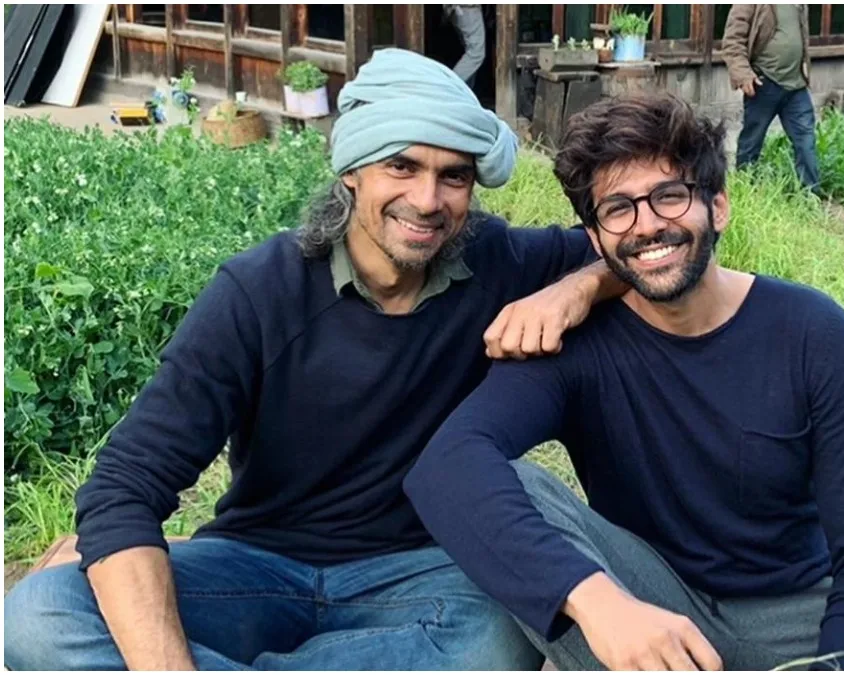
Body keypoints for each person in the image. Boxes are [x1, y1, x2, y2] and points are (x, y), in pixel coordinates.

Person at [3, 49, 626, 671]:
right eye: (401, 166)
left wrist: (575, 288)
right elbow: (126, 485)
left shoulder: (495, 260)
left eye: (454, 176)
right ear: (353, 169)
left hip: (421, 575)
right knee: (39, 617)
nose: (427, 199)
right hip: (255, 567)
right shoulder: (258, 292)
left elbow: (638, 251)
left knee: (499, 639)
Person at [404, 93, 844, 672]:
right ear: (595, 238)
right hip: (650, 608)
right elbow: (445, 468)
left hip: (801, 610)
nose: (648, 224)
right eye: (618, 209)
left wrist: (841, 666)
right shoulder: (573, 345)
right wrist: (603, 605)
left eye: (669, 196)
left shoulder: (814, 333)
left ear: (717, 206)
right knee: (512, 485)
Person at [722, 4, 820, 193]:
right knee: (751, 142)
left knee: (806, 141)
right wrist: (743, 74)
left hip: (796, 84)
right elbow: (733, 41)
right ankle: (744, 191)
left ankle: (811, 196)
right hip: (764, 82)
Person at [445, 4, 487, 87]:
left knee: (470, 55)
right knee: (476, 53)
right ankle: (448, 87)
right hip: (467, 7)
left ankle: (464, 92)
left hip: (460, 8)